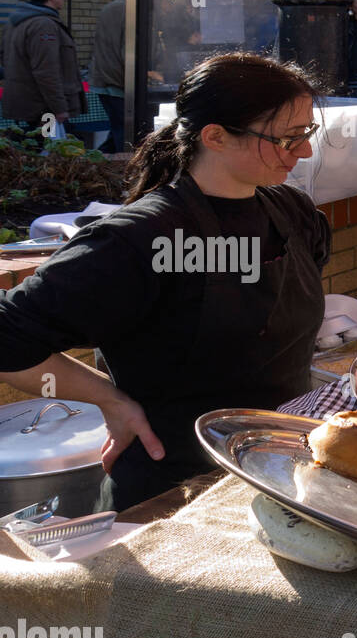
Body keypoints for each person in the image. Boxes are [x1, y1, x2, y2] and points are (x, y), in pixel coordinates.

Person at [0, 52, 328, 512]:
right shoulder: (136, 239)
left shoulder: (293, 213)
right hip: (175, 491)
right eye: (287, 139)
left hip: (283, 472)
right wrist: (110, 401)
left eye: (306, 134)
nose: (305, 152)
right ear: (214, 136)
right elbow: (8, 336)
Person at [0, 0, 85, 131]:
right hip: (43, 107)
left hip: (26, 103)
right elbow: (46, 70)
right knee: (55, 149)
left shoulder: (15, 22)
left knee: (35, 149)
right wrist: (59, 107)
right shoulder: (43, 25)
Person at [90, 0, 126, 152]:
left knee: (118, 130)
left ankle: (95, 164)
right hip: (116, 80)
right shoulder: (129, 10)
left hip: (108, 78)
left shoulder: (113, 8)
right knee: (124, 132)